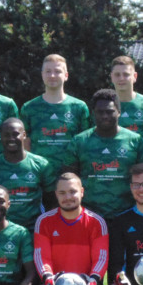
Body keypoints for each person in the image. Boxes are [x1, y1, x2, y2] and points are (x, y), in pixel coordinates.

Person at [61, 89, 143, 218]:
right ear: (93, 114)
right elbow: (68, 178)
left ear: (119, 112)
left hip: (128, 214)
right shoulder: (79, 141)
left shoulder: (135, 141)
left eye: (110, 111)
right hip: (88, 216)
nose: (104, 116)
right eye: (100, 112)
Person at [20, 54, 91, 199]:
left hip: (70, 182)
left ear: (66, 75)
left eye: (58, 71)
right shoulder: (29, 108)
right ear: (42, 75)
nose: (52, 75)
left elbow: (84, 146)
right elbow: (25, 144)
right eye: (48, 71)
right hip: (39, 179)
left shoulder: (79, 107)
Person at [0, 118, 53, 231]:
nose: (11, 139)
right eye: (6, 135)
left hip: (33, 230)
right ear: (0, 136)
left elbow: (51, 201)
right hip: (1, 232)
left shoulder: (41, 165)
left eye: (15, 134)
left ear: (24, 135)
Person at [109, 56, 143, 143]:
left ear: (135, 76)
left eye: (126, 74)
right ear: (112, 77)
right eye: (117, 75)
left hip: (140, 156)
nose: (121, 78)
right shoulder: (103, 104)